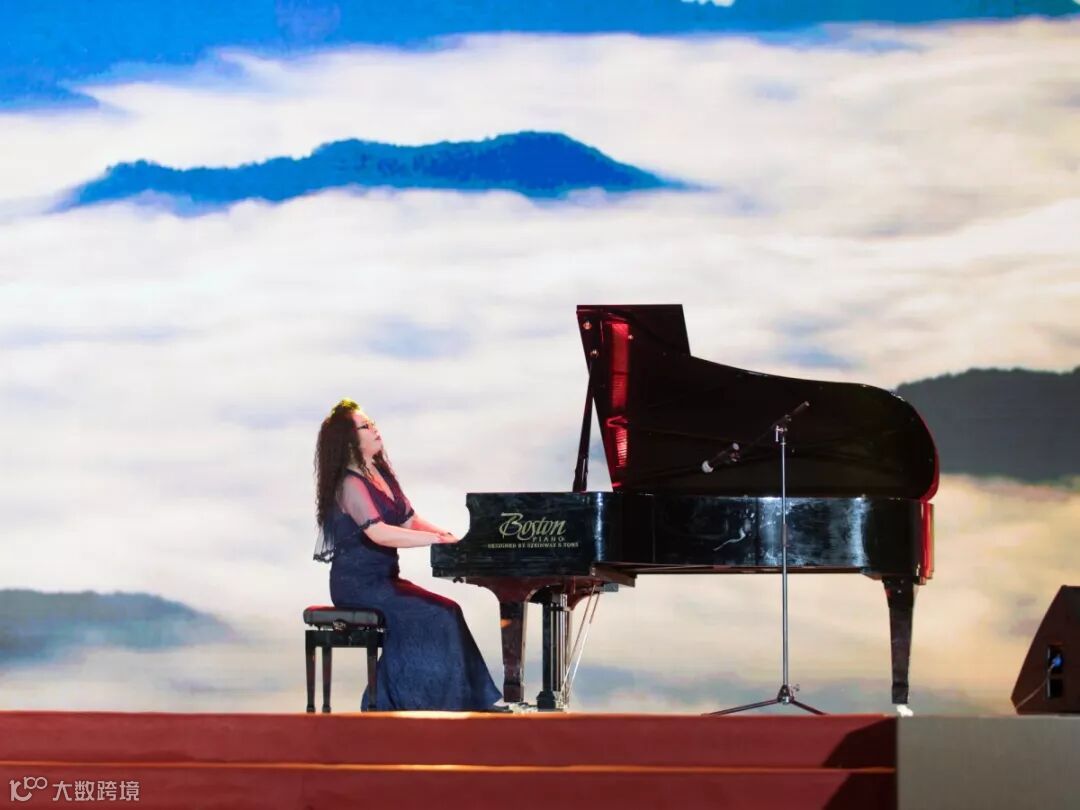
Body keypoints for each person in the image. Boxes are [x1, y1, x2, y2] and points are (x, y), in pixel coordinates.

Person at [313, 398, 502, 711]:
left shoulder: (379, 472)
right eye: (365, 426)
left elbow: (408, 520)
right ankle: (403, 702)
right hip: (358, 586)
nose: (375, 429)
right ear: (348, 440)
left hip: (386, 581)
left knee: (449, 609)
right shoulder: (349, 484)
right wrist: (433, 540)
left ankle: (465, 701)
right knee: (433, 615)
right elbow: (379, 533)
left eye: (372, 423)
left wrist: (447, 536)